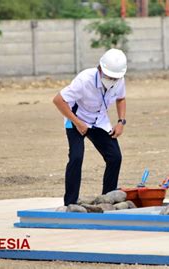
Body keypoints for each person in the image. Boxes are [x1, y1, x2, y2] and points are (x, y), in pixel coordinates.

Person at [52, 49, 127, 206]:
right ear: (100, 68)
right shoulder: (84, 79)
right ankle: (70, 202)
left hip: (99, 121)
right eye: (109, 76)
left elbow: (121, 98)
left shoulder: (119, 80)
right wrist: (77, 122)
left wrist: (121, 122)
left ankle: (107, 199)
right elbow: (58, 100)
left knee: (115, 157)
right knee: (76, 157)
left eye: (115, 77)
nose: (112, 79)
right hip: (76, 119)